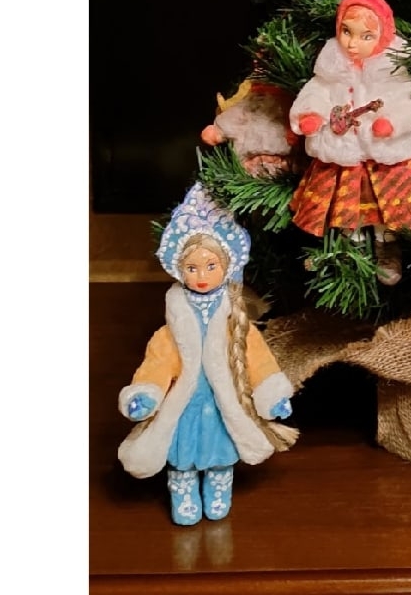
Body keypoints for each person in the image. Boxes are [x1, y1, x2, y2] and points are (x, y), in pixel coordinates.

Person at [117, 184, 298, 523]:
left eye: (210, 265)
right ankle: (183, 486)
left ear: (226, 266)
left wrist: (272, 394)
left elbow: (258, 360)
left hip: (220, 400)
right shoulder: (170, 330)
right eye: (192, 268)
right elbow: (158, 363)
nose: (201, 276)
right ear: (178, 269)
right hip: (186, 402)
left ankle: (219, 483)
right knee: (181, 451)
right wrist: (147, 392)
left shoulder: (237, 323)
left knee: (221, 449)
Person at [288, 0, 411, 283]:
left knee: (385, 206)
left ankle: (386, 246)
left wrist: (392, 122)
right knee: (346, 205)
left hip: (385, 155)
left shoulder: (395, 70)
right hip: (342, 152)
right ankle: (348, 248)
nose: (352, 44)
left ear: (383, 35)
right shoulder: (330, 67)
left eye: (366, 36)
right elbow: (316, 93)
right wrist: (310, 115)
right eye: (346, 32)